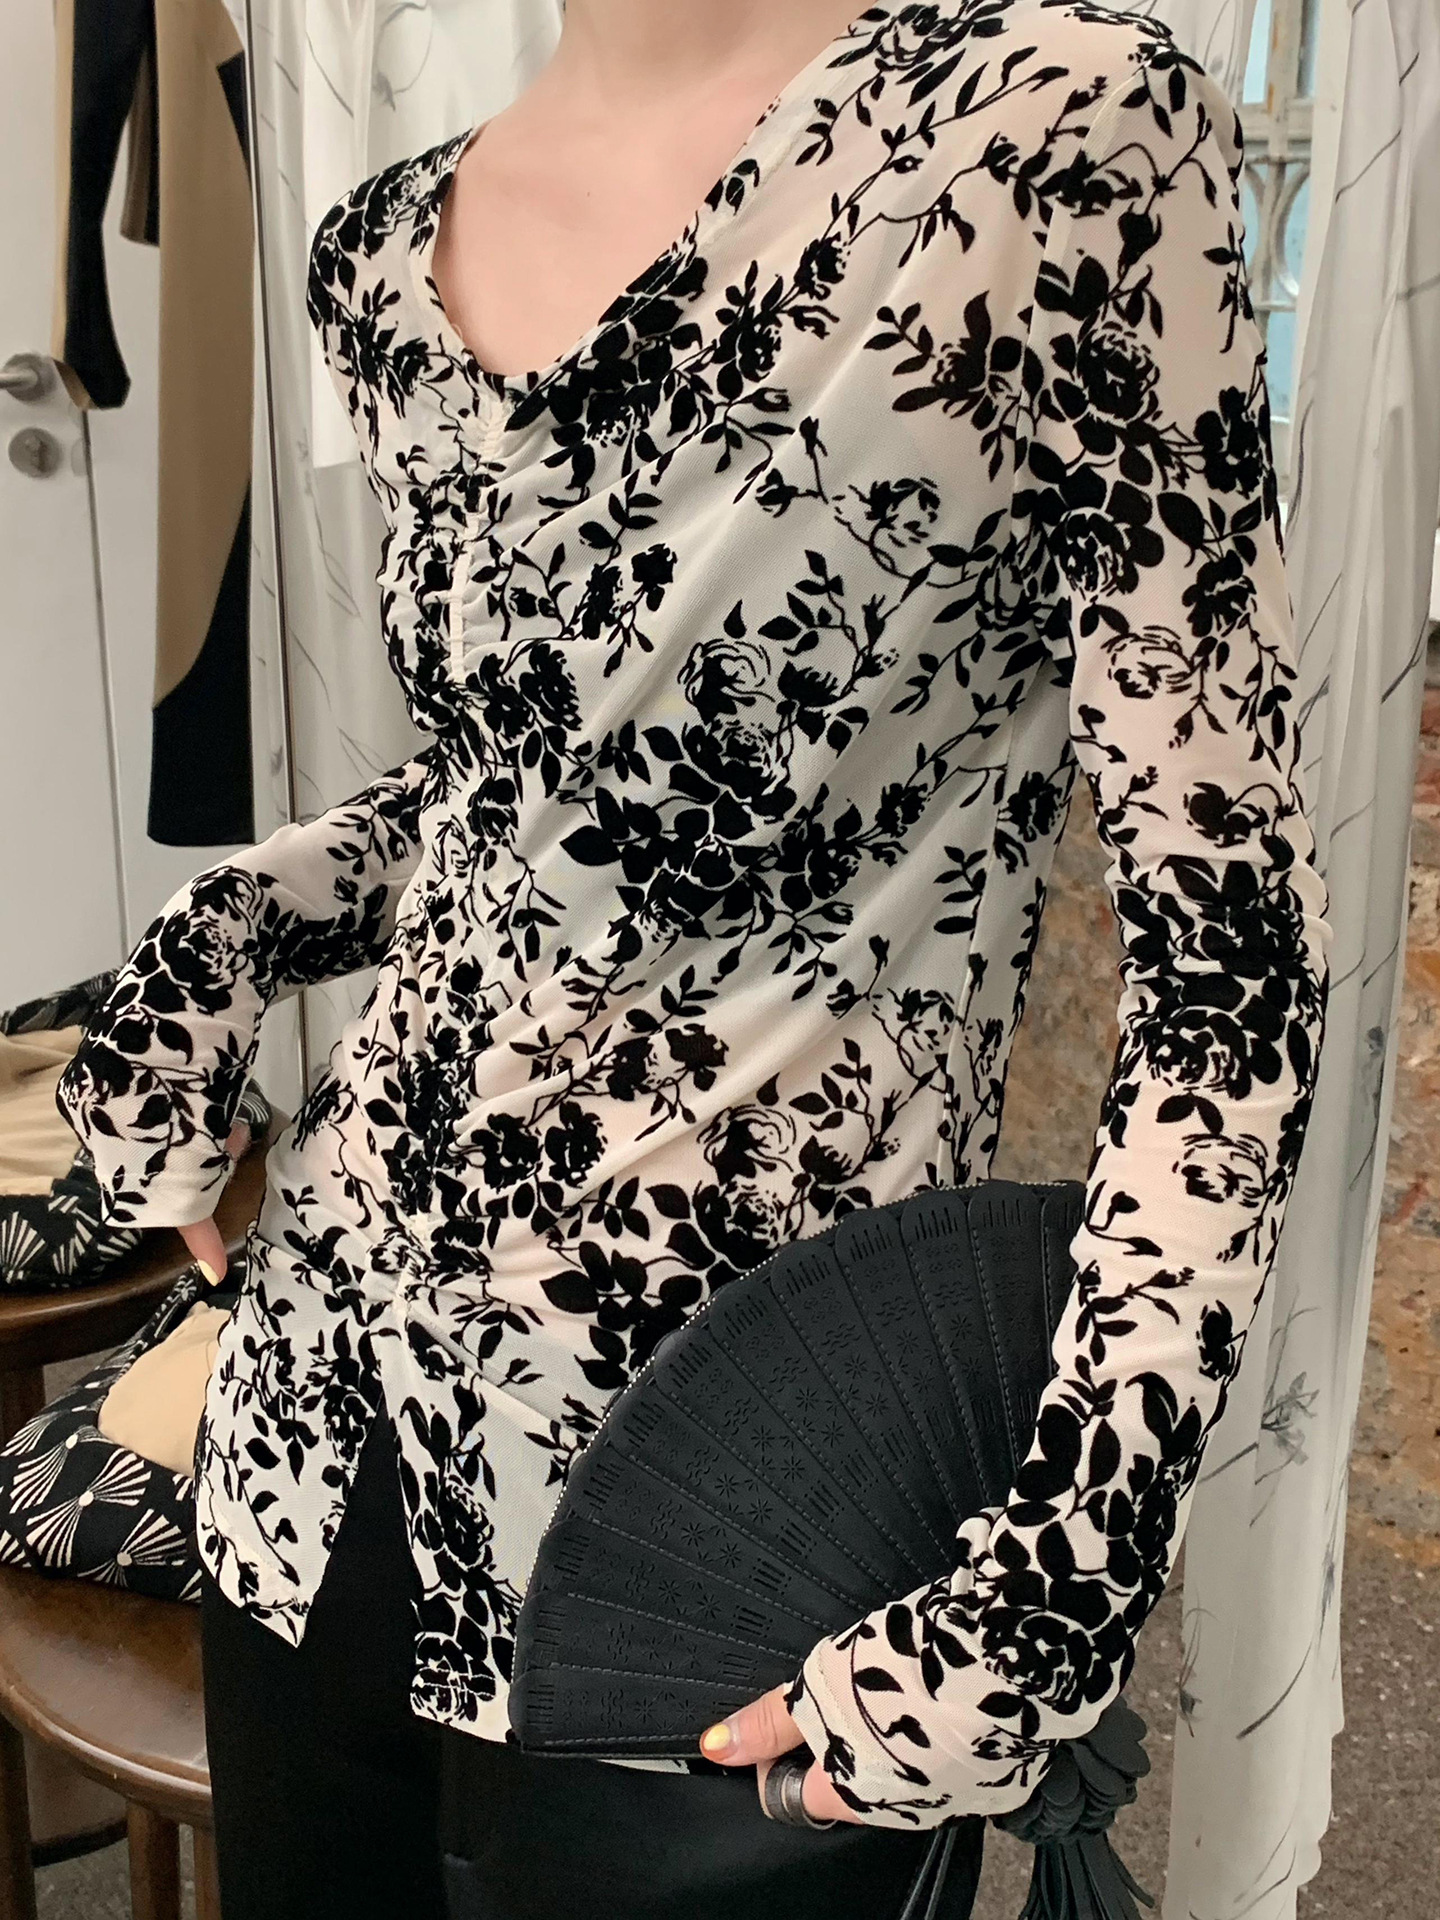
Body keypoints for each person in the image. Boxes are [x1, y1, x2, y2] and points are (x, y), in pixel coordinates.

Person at [55, 0, 1331, 1914]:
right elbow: (518, 806)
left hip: (733, 1498)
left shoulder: (1048, 132)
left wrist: (1061, 1569)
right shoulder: (381, 254)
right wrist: (219, 934)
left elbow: (1233, 954)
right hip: (323, 1422)